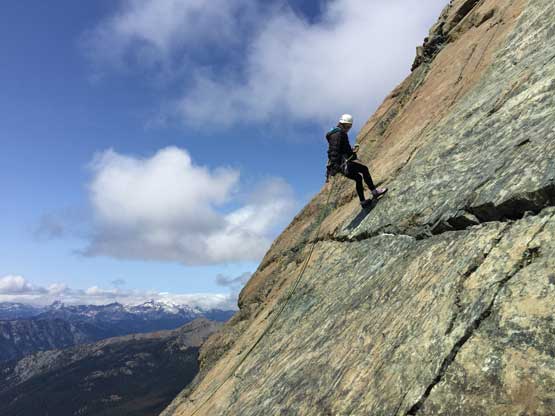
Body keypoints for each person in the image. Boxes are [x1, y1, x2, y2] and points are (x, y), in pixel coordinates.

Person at [326, 114, 387, 208]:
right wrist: (336, 165)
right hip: (342, 164)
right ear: (345, 124)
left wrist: (352, 151)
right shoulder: (338, 134)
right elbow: (334, 150)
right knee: (364, 169)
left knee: (358, 178)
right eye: (349, 126)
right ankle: (374, 192)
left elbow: (342, 149)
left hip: (341, 164)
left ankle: (363, 202)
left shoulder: (337, 133)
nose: (349, 128)